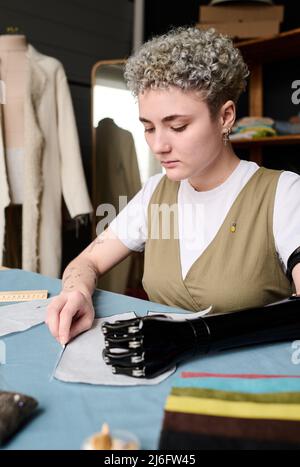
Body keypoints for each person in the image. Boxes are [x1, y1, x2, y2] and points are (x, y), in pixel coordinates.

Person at [46, 26, 300, 350]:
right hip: (160, 371)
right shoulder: (156, 194)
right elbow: (86, 263)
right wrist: (76, 292)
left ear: (225, 117)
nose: (159, 145)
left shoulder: (284, 194)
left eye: (177, 126)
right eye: (149, 128)